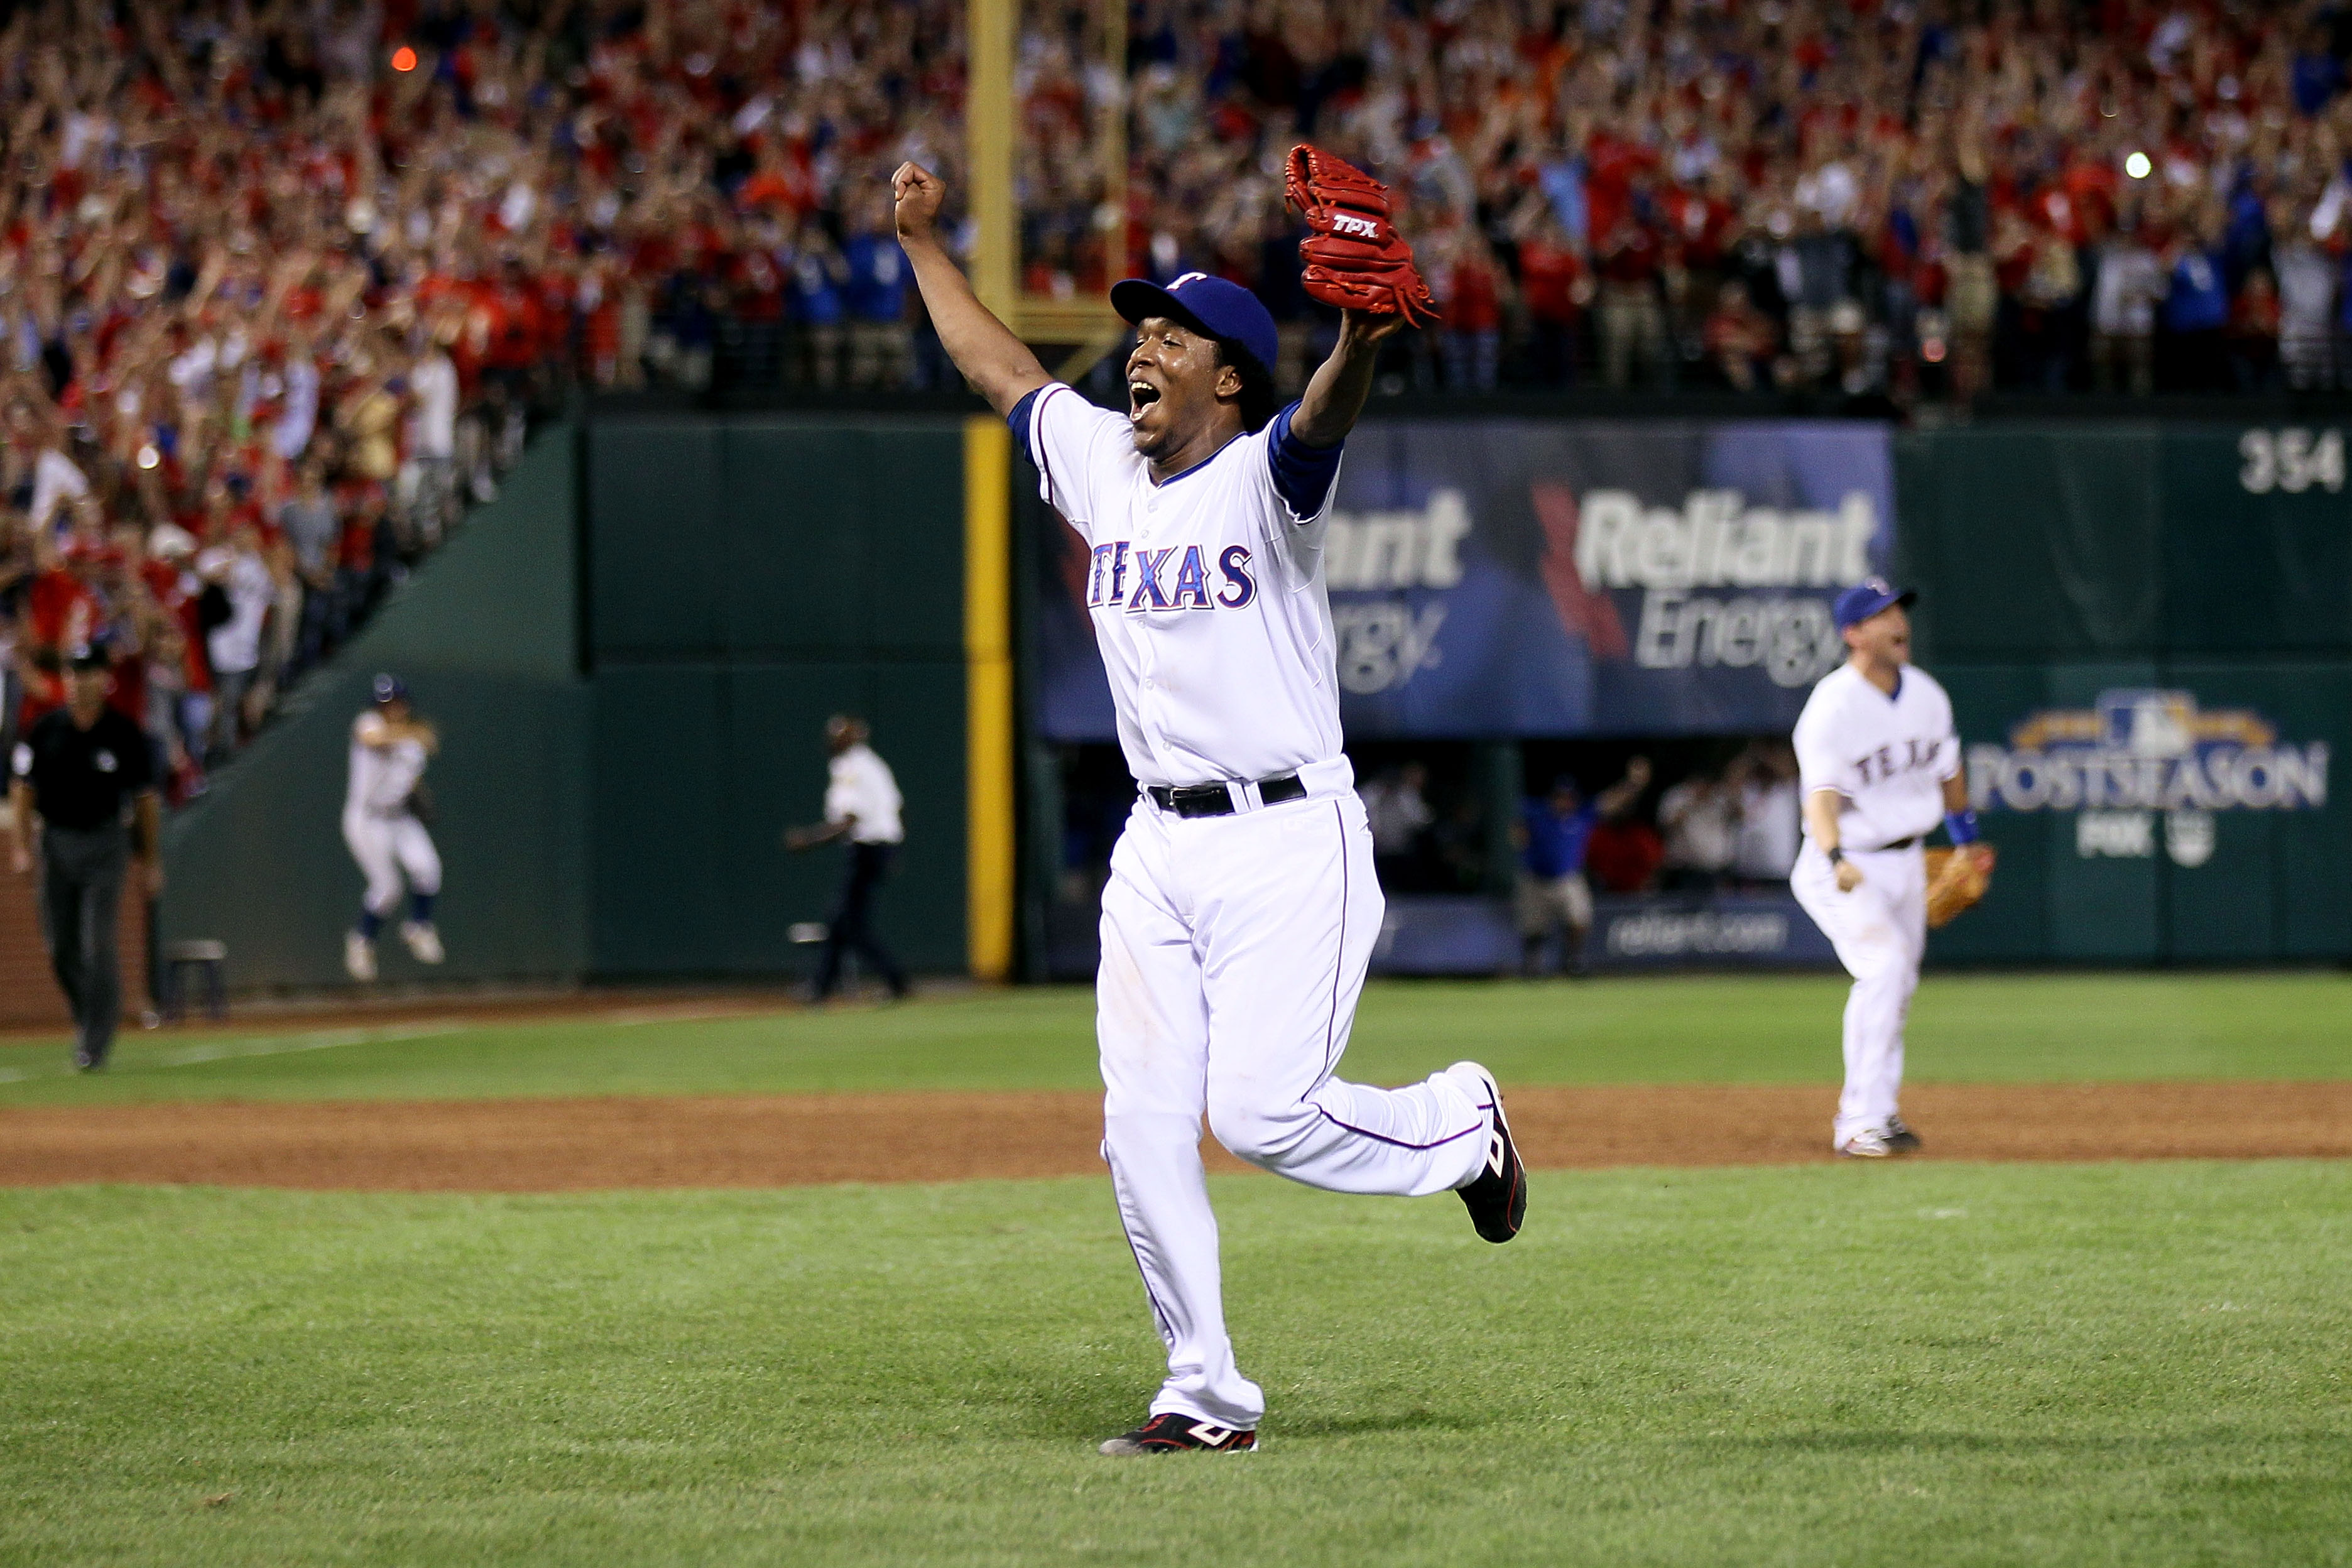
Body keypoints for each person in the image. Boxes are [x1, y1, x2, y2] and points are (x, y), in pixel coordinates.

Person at [892, 155, 1529, 1459]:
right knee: (1139, 1128)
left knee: (1258, 1116)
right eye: (1140, 332)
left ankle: (1462, 1122)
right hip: (1157, 850)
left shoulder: (1265, 485)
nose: (1141, 349)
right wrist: (918, 244)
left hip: (1291, 837)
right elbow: (999, 370)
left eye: (1172, 337)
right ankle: (1205, 1393)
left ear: (1227, 378)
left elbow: (1325, 419)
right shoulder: (1103, 471)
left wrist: (1357, 335)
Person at [1790, 579, 1993, 1159]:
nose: (1898, 620)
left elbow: (1949, 776)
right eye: (1882, 614)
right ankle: (1857, 1123)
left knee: (1898, 982)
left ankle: (1880, 1111)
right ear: (1854, 634)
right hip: (1845, 864)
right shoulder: (1833, 705)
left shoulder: (1927, 695)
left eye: (1900, 608)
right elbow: (1820, 798)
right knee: (1883, 967)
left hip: (1907, 860)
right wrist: (1834, 856)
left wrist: (1967, 842)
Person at [8, 645, 161, 1070]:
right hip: (56, 842)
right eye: (73, 673)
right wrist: (21, 847)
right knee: (60, 947)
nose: (80, 682)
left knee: (98, 943)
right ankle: (89, 1014)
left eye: (88, 672)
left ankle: (94, 1043)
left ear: (104, 678)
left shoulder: (124, 732)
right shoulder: (44, 729)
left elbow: (145, 800)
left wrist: (151, 860)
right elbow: (23, 792)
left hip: (106, 841)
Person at [783, 714, 909, 1002]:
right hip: (880, 847)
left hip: (868, 848)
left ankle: (894, 982)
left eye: (839, 735)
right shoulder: (873, 763)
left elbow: (849, 820)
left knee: (850, 924)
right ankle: (823, 987)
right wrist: (896, 850)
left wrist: (809, 839)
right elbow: (897, 809)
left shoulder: (851, 765)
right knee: (842, 921)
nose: (833, 741)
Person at [342, 674, 444, 982]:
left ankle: (419, 926)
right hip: (366, 818)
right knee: (388, 889)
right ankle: (361, 940)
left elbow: (419, 761)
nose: (392, 708)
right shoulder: (368, 722)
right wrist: (416, 734)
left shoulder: (411, 741)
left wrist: (420, 793)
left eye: (396, 702)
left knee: (429, 870)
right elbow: (372, 739)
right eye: (386, 703)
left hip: (399, 816)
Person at [1516, 759, 1650, 976]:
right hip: (1536, 879)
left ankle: (1573, 960)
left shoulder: (1582, 815)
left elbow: (1612, 801)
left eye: (1568, 796)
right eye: (1560, 796)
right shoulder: (1537, 813)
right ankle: (1533, 965)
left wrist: (1633, 784)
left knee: (1579, 918)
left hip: (1567, 878)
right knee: (1533, 928)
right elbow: (1515, 828)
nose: (1564, 801)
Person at [1657, 765, 1739, 892]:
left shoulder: (1721, 798)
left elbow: (1741, 815)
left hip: (1716, 870)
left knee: (1716, 911)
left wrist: (1731, 792)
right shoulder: (1677, 796)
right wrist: (1694, 802)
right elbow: (1667, 825)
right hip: (1684, 870)